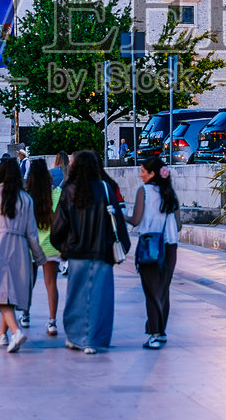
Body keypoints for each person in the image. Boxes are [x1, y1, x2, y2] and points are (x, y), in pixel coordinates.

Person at [50, 150, 128, 354]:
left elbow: (59, 225)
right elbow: (118, 221)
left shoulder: (69, 190)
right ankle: (94, 339)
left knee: (76, 296)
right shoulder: (105, 188)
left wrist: (62, 246)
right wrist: (122, 247)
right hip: (102, 252)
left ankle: (76, 337)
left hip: (77, 253)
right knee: (100, 298)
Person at [0, 157, 43, 353]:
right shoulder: (25, 198)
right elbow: (32, 232)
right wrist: (39, 256)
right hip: (19, 247)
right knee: (8, 291)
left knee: (0, 290)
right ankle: (2, 334)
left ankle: (15, 331)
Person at [125, 156, 181, 350]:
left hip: (150, 244)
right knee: (163, 289)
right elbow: (179, 224)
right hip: (170, 246)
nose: (140, 175)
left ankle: (155, 334)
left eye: (143, 171)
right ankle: (162, 331)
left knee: (151, 291)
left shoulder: (144, 192)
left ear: (152, 174)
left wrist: (118, 213)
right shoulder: (170, 193)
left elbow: (136, 220)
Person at [25, 158, 60, 337]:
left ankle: (25, 314)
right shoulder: (57, 193)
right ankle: (52, 321)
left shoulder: (26, 196)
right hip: (51, 245)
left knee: (28, 283)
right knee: (51, 283)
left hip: (31, 246)